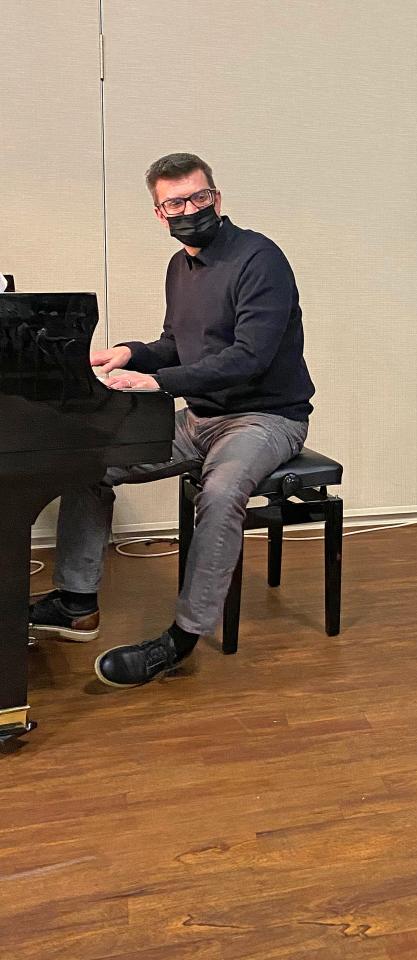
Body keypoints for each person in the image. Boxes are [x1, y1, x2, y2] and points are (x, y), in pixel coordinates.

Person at [29, 152, 315, 688]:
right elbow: (175, 345)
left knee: (222, 491)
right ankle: (76, 601)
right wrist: (130, 354)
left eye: (199, 197)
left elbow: (249, 356)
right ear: (160, 213)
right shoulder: (178, 267)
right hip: (203, 416)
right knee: (89, 464)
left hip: (266, 418)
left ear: (217, 197)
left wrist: (160, 382)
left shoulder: (260, 259)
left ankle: (181, 639)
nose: (191, 208)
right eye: (176, 202)